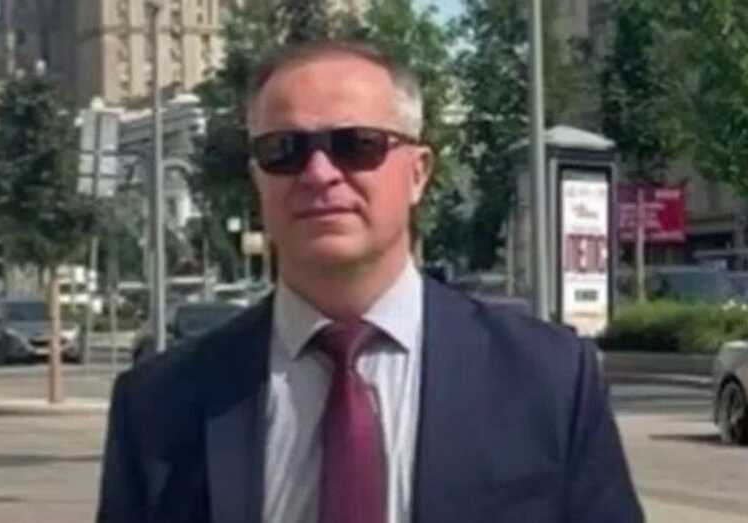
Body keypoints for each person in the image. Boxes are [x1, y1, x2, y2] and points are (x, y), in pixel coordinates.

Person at [97, 40, 643, 523]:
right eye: (284, 151)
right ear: (258, 178)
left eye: (357, 144)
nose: (319, 174)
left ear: (418, 172)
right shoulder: (159, 403)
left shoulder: (549, 380)